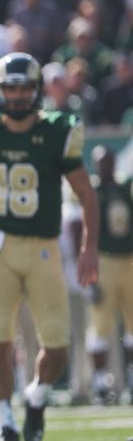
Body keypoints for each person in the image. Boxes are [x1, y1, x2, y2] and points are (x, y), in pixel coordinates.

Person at [0, 52, 99, 441]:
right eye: (11, 88)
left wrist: (89, 248)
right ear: (0, 92)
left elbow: (86, 193)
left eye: (24, 88)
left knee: (57, 347)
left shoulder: (58, 129)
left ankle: (36, 397)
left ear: (36, 90)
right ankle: (4, 420)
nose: (18, 96)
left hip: (43, 249)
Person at [86, 145, 132, 404]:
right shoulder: (92, 191)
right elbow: (79, 230)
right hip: (103, 263)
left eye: (108, 162)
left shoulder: (126, 187)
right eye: (100, 163)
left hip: (129, 261)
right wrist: (91, 277)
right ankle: (100, 384)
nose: (104, 168)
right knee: (101, 327)